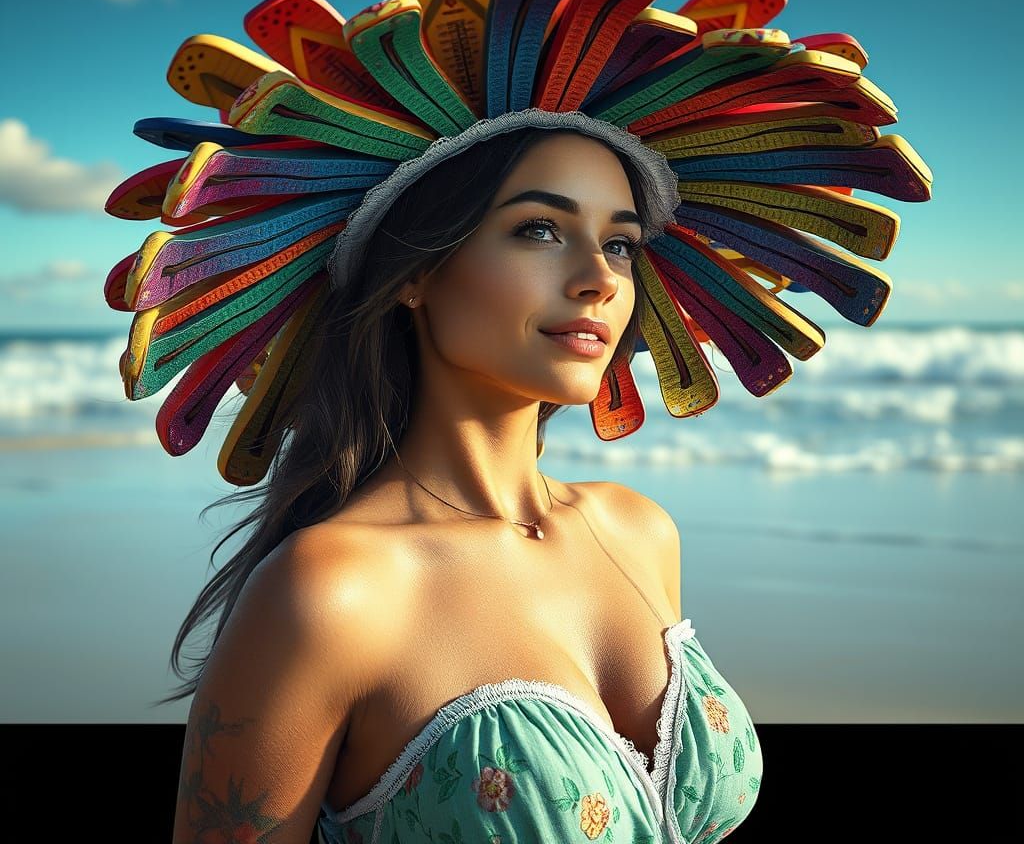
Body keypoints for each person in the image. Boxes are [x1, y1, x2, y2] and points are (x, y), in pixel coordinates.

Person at [163, 122, 762, 844]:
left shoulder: (639, 530)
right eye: (540, 229)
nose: (600, 279)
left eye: (619, 244)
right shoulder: (331, 591)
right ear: (415, 272)